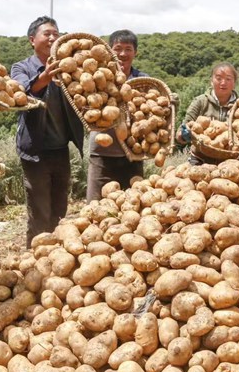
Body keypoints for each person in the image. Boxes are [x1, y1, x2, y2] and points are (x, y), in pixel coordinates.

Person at [11, 16, 84, 246]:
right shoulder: (21, 67)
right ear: (32, 40)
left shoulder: (68, 67)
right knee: (40, 211)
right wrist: (43, 78)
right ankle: (34, 257)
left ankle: (56, 252)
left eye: (56, 34)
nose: (53, 37)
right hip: (35, 151)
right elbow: (21, 91)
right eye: (47, 34)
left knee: (60, 209)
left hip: (60, 149)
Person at [86, 29, 148, 201]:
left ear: (135, 52)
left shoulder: (143, 80)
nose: (122, 53)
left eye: (128, 49)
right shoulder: (98, 76)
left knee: (132, 205)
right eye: (118, 48)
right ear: (110, 51)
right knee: (95, 206)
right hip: (102, 154)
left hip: (133, 154)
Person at [175, 62, 239, 165]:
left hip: (230, 161)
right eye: (218, 78)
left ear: (234, 82)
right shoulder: (200, 101)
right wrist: (184, 135)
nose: (223, 83)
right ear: (211, 81)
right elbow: (179, 134)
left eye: (228, 79)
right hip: (199, 159)